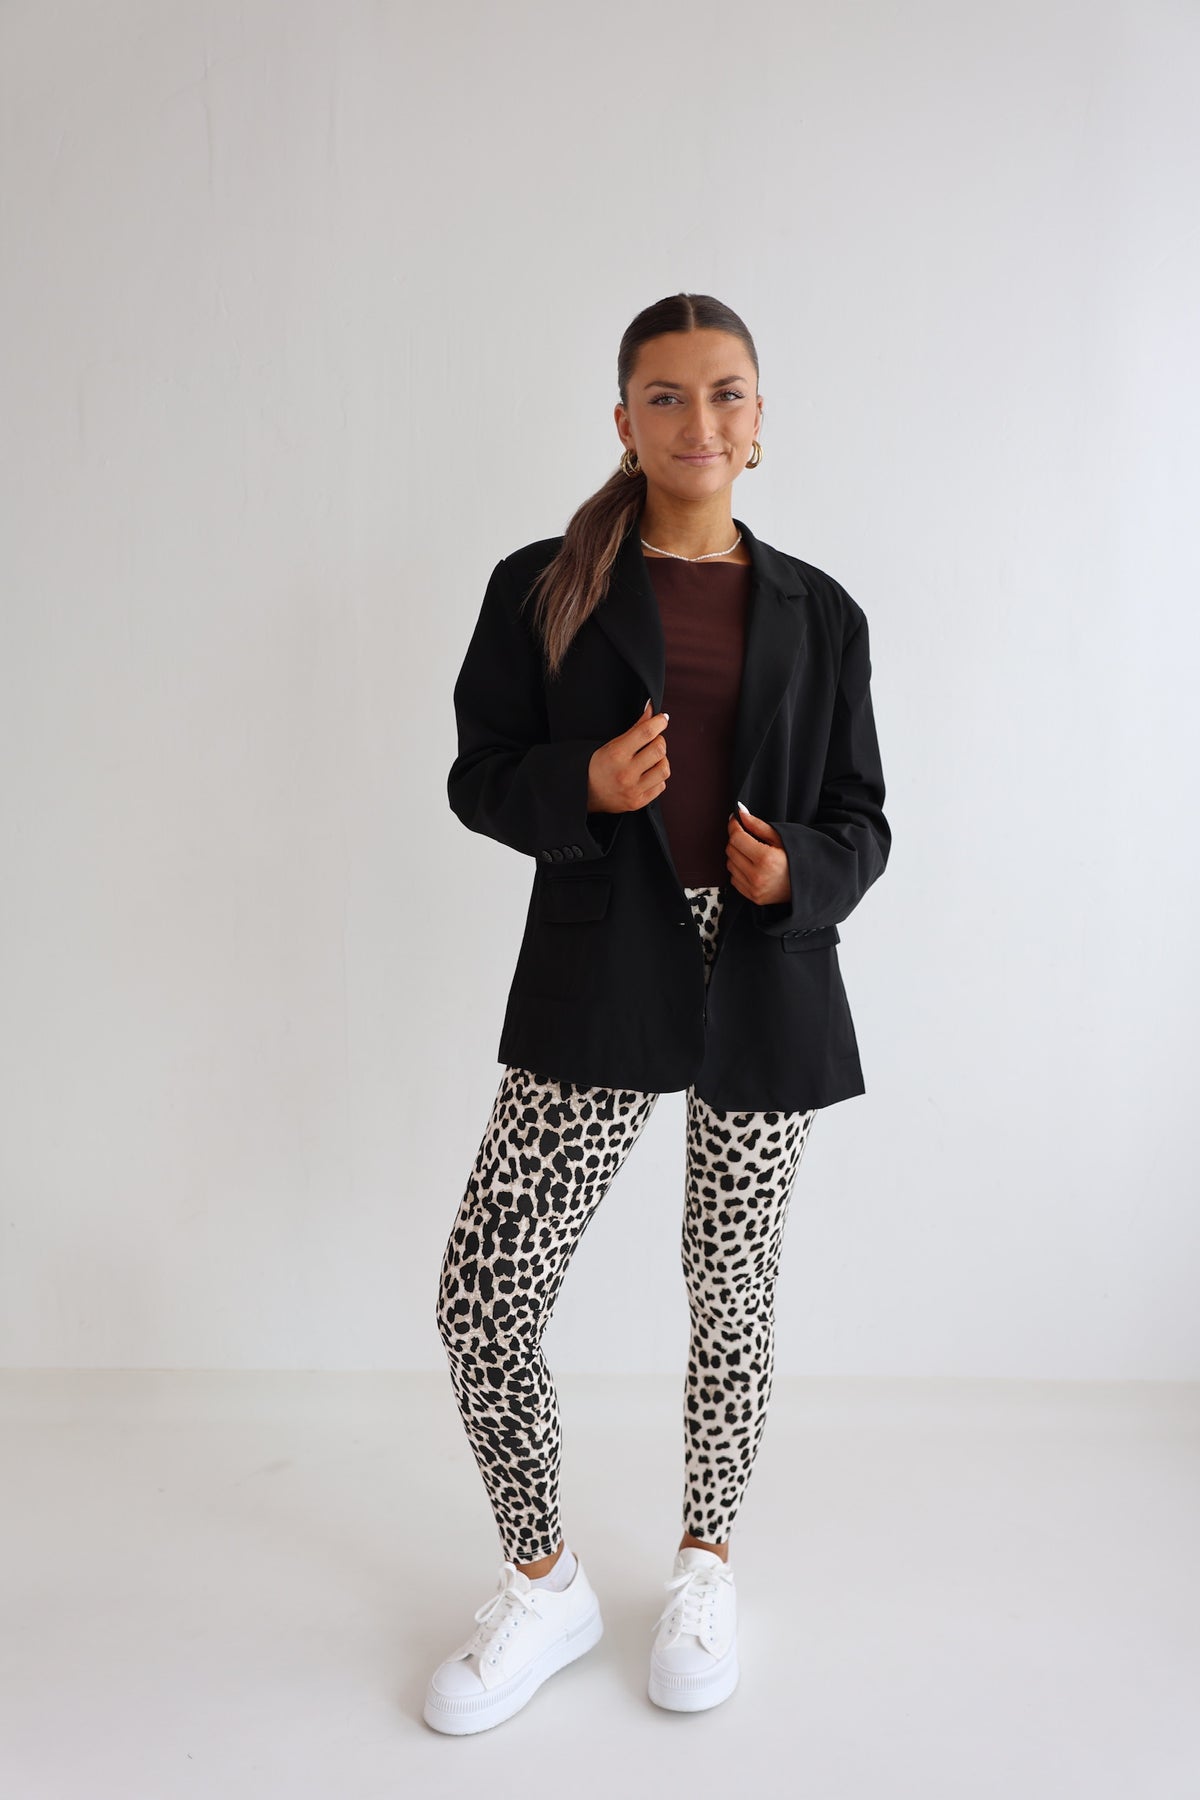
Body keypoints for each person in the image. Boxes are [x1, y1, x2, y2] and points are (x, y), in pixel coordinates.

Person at [423, 292, 890, 1735]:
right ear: (623, 421)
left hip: (762, 975)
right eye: (669, 396)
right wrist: (581, 784)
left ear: (761, 419)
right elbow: (479, 773)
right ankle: (546, 1582)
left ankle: (705, 1563)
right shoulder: (542, 585)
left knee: (731, 1294)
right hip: (601, 965)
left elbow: (863, 818)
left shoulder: (821, 611)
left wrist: (797, 871)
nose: (701, 421)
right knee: (486, 1292)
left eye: (726, 392)